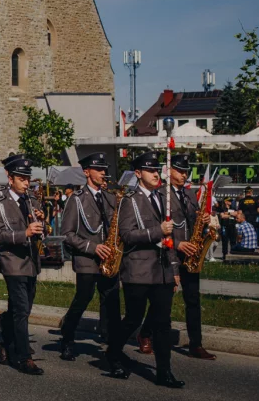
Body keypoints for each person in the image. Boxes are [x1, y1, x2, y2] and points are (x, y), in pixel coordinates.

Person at [105, 151, 183, 388]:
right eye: (150, 171)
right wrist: (157, 231)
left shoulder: (162, 198)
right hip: (138, 271)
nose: (155, 174)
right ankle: (113, 353)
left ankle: (164, 372)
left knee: (162, 324)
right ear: (138, 173)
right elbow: (127, 235)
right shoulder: (130, 200)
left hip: (162, 271)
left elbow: (169, 238)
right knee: (133, 319)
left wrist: (174, 268)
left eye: (157, 170)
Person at [137, 154, 216, 360]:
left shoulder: (189, 195)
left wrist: (203, 219)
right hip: (170, 251)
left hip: (191, 253)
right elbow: (159, 225)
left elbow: (193, 220)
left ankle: (196, 343)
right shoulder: (161, 194)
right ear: (169, 172)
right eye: (180, 171)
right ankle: (145, 334)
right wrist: (178, 244)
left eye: (185, 171)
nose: (184, 175)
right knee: (163, 300)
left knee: (193, 299)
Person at [58, 152, 120, 360]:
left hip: (109, 258)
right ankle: (67, 337)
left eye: (105, 169)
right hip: (87, 259)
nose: (104, 173)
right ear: (87, 172)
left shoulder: (110, 198)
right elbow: (67, 234)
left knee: (111, 302)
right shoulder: (77, 199)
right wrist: (93, 248)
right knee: (82, 300)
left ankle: (112, 344)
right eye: (99, 169)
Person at [0, 154, 44, 376]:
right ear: (10, 178)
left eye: (27, 178)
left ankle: (4, 341)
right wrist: (25, 233)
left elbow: (39, 228)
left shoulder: (31, 200)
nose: (26, 182)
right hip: (12, 261)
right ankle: (24, 357)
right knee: (22, 310)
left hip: (31, 261)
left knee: (23, 307)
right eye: (21, 178)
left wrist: (41, 220)